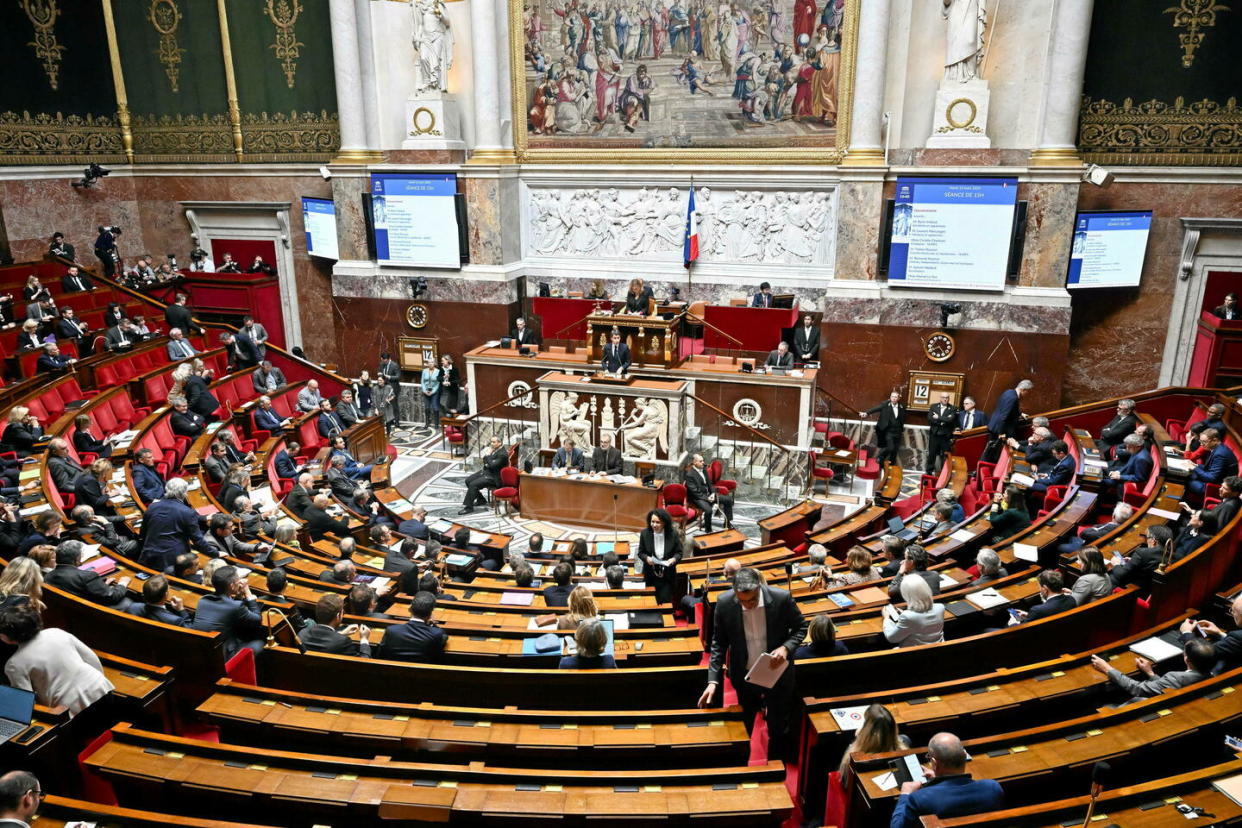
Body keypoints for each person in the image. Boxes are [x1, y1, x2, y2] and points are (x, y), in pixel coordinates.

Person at [698, 567, 808, 760]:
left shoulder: (781, 598)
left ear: (759, 588)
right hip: (745, 676)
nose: (748, 606)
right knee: (744, 725)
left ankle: (774, 770)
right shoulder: (724, 604)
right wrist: (713, 681)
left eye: (752, 600)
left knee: (778, 728)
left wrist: (786, 648)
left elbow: (801, 627)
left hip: (777, 674)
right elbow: (718, 643)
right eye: (742, 601)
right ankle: (744, 769)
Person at [0, 603, 114, 716]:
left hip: (72, 708)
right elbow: (92, 659)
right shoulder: (56, 632)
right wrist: (98, 680)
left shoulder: (14, 664)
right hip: (101, 686)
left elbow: (26, 703)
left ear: (5, 636)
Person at [889, 732, 1005, 828]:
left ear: (934, 762)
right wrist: (939, 777)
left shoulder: (919, 799)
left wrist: (905, 794)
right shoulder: (992, 788)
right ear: (965, 756)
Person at [1090, 638, 1213, 702]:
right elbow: (1167, 687)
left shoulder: (1176, 677)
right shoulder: (1211, 676)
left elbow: (1138, 689)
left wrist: (1107, 668)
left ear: (1187, 659)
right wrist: (1150, 673)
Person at [138, 478, 212, 570]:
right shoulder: (187, 512)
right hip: (173, 560)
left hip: (149, 555)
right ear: (185, 493)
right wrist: (215, 553)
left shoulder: (152, 507)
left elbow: (143, 533)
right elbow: (198, 541)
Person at [191, 565, 265, 658]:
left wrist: (238, 596)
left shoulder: (204, 600)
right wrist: (248, 593)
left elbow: (228, 608)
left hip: (200, 651)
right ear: (232, 585)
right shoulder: (235, 606)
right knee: (260, 643)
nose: (240, 583)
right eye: (238, 581)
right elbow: (257, 619)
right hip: (221, 658)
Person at [45, 540, 130, 608]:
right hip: (93, 610)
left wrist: (101, 585)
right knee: (129, 603)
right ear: (77, 559)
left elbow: (76, 588)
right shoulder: (87, 576)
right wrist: (122, 583)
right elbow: (113, 597)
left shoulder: (48, 577)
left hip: (69, 608)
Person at [839, 704, 906, 777]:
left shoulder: (853, 757)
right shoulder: (905, 744)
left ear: (866, 732)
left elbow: (845, 781)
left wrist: (858, 739)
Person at [1181, 595, 1242, 675]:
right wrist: (1219, 633)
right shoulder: (1238, 636)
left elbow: (1203, 654)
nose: (1232, 614)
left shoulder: (1238, 637)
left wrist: (1186, 632)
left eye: (1233, 611)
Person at [378, 591, 446, 662]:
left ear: (409, 609)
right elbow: (443, 637)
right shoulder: (436, 633)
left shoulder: (391, 630)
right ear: (430, 615)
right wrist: (433, 625)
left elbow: (380, 655)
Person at [300, 594, 372, 657]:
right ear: (338, 616)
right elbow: (363, 663)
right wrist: (364, 639)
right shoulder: (343, 642)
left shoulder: (302, 634)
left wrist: (341, 633)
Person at [883, 577, 945, 647]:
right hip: (939, 648)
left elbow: (892, 638)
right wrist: (907, 612)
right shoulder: (940, 607)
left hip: (915, 653)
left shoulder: (907, 616)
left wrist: (886, 618)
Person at [1109, 525, 1173, 592]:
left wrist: (1116, 564)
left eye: (1147, 537)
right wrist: (1133, 560)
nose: (1145, 540)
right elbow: (1151, 563)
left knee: (1111, 576)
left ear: (1154, 541)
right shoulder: (1174, 555)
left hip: (1136, 590)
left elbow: (1120, 574)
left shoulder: (1142, 553)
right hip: (1153, 588)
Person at [637, 508, 682, 604]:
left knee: (665, 603)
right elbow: (640, 552)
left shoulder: (673, 534)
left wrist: (673, 559)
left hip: (667, 576)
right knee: (651, 603)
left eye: (657, 522)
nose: (654, 525)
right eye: (652, 521)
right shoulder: (645, 534)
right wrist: (647, 558)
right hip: (650, 575)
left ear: (664, 523)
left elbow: (679, 553)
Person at [984, 380, 1033, 462]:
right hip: (1000, 429)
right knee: (994, 453)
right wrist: (1001, 433)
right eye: (1028, 392)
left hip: (995, 425)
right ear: (1023, 390)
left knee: (991, 450)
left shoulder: (1009, 392)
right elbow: (1004, 416)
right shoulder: (1013, 398)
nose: (1027, 394)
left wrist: (1020, 414)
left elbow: (1007, 408)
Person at [684, 453, 733, 532]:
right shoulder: (689, 475)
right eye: (701, 461)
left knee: (728, 500)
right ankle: (708, 529)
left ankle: (727, 523)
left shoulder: (704, 469)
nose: (703, 462)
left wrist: (713, 494)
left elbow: (710, 484)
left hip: (709, 495)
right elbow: (694, 492)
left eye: (703, 461)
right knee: (708, 510)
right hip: (698, 498)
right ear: (695, 462)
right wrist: (707, 498)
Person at [461, 435, 507, 514]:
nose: (491, 444)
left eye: (494, 442)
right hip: (487, 471)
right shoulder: (494, 450)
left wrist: (488, 457)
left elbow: (492, 464)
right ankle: (481, 499)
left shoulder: (503, 454)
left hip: (494, 477)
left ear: (500, 443)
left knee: (473, 484)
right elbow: (485, 460)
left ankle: (469, 507)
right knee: (468, 481)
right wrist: (488, 461)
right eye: (491, 442)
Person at [1189, 428, 1238, 497]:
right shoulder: (1217, 448)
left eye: (1204, 442)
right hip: (1215, 480)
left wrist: (1194, 468)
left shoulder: (1220, 454)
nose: (1201, 444)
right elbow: (1212, 468)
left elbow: (1212, 478)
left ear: (1215, 440)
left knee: (1186, 480)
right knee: (1187, 474)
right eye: (1200, 441)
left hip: (1215, 487)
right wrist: (1196, 465)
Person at [862, 391, 906, 465]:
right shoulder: (885, 405)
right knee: (890, 447)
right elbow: (875, 409)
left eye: (895, 397)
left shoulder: (902, 406)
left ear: (898, 398)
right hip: (889, 431)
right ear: (890, 397)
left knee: (895, 450)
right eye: (892, 396)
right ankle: (881, 456)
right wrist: (866, 413)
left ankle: (891, 465)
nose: (894, 398)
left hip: (898, 431)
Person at [925, 392, 959, 475]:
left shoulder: (953, 408)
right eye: (943, 397)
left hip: (945, 436)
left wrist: (938, 418)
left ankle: (945, 472)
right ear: (940, 398)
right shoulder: (933, 406)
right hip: (935, 434)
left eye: (947, 397)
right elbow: (930, 418)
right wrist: (942, 421)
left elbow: (950, 420)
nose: (945, 399)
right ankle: (929, 472)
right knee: (932, 454)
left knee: (946, 455)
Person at [420, 359, 441, 427]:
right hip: (426, 391)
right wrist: (424, 390)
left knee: (435, 408)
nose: (430, 364)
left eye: (432, 362)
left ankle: (436, 423)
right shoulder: (424, 371)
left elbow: (438, 383)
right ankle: (427, 423)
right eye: (429, 362)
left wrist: (433, 391)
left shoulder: (438, 371)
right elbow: (422, 381)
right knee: (427, 408)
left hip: (434, 391)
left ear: (434, 363)